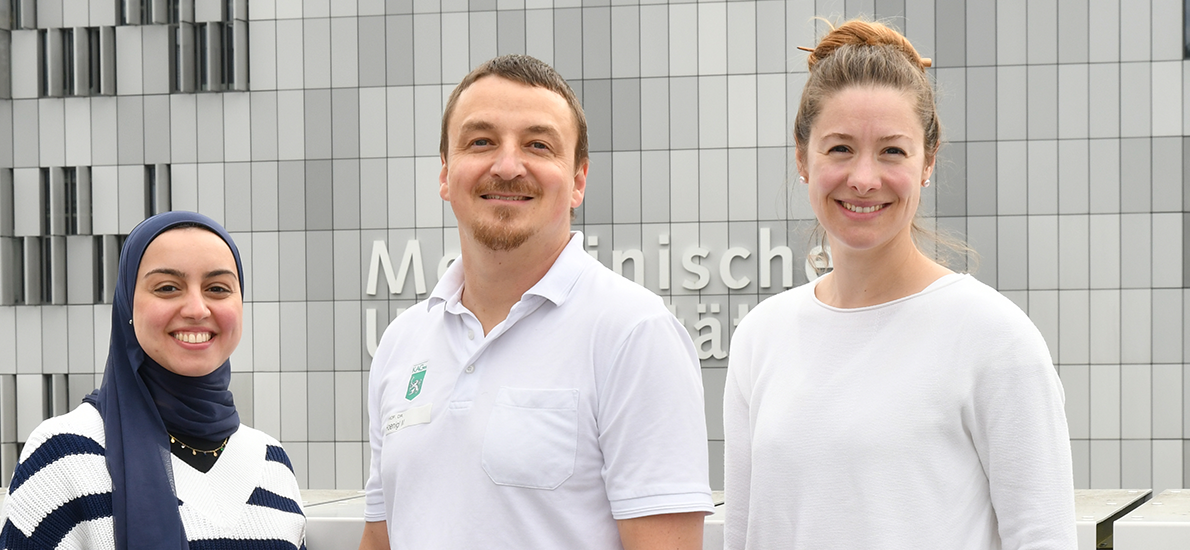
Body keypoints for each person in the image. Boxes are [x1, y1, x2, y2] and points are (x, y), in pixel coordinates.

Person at [722, 20, 1076, 549]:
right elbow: (743, 534)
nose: (864, 179)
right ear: (802, 158)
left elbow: (1043, 537)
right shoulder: (760, 336)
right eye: (840, 148)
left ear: (927, 161)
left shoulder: (995, 337)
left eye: (892, 151)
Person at [359, 54, 713, 550]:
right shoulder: (402, 342)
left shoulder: (634, 332)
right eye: (481, 142)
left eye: (538, 145)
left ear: (578, 181)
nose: (507, 167)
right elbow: (381, 538)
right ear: (445, 173)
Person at [0, 211, 306, 550]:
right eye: (168, 287)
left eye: (217, 288)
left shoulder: (273, 463)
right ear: (128, 305)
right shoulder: (64, 454)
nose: (197, 309)